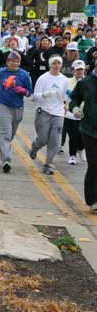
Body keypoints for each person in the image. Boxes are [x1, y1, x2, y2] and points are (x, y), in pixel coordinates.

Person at [29, 55, 69, 175]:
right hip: (44, 111)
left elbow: (67, 96)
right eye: (54, 63)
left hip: (58, 113)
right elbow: (35, 96)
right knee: (43, 139)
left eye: (58, 63)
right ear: (50, 65)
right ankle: (35, 146)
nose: (56, 66)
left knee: (55, 141)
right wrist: (45, 95)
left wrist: (67, 104)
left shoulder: (64, 80)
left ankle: (47, 164)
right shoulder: (43, 78)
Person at [0, 51, 33, 173]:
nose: (14, 63)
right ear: (8, 62)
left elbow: (30, 92)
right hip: (3, 105)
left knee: (10, 135)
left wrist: (22, 90)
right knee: (6, 133)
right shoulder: (1, 72)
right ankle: (6, 160)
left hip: (18, 108)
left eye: (17, 61)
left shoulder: (23, 75)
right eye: (12, 61)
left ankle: (4, 148)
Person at [69, 67, 97, 210]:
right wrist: (75, 109)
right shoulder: (85, 83)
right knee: (94, 164)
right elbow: (74, 98)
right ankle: (92, 200)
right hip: (89, 129)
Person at [64, 60, 87, 165]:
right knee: (73, 135)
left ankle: (81, 149)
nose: (79, 72)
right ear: (73, 70)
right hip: (69, 113)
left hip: (84, 114)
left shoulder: (87, 82)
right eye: (77, 70)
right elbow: (64, 96)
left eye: (81, 70)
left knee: (82, 135)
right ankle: (72, 155)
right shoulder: (67, 82)